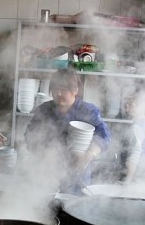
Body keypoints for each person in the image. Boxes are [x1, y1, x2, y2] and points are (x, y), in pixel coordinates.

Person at [24, 67, 111, 195]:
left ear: (75, 89)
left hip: (77, 179)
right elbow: (30, 136)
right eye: (55, 89)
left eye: (64, 89)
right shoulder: (44, 110)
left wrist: (89, 154)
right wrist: (42, 153)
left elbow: (104, 136)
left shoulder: (87, 111)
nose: (58, 94)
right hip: (47, 176)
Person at [118, 94, 145, 182]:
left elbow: (135, 153)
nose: (127, 107)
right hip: (144, 169)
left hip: (137, 171)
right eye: (127, 104)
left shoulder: (138, 126)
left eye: (131, 105)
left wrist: (128, 178)